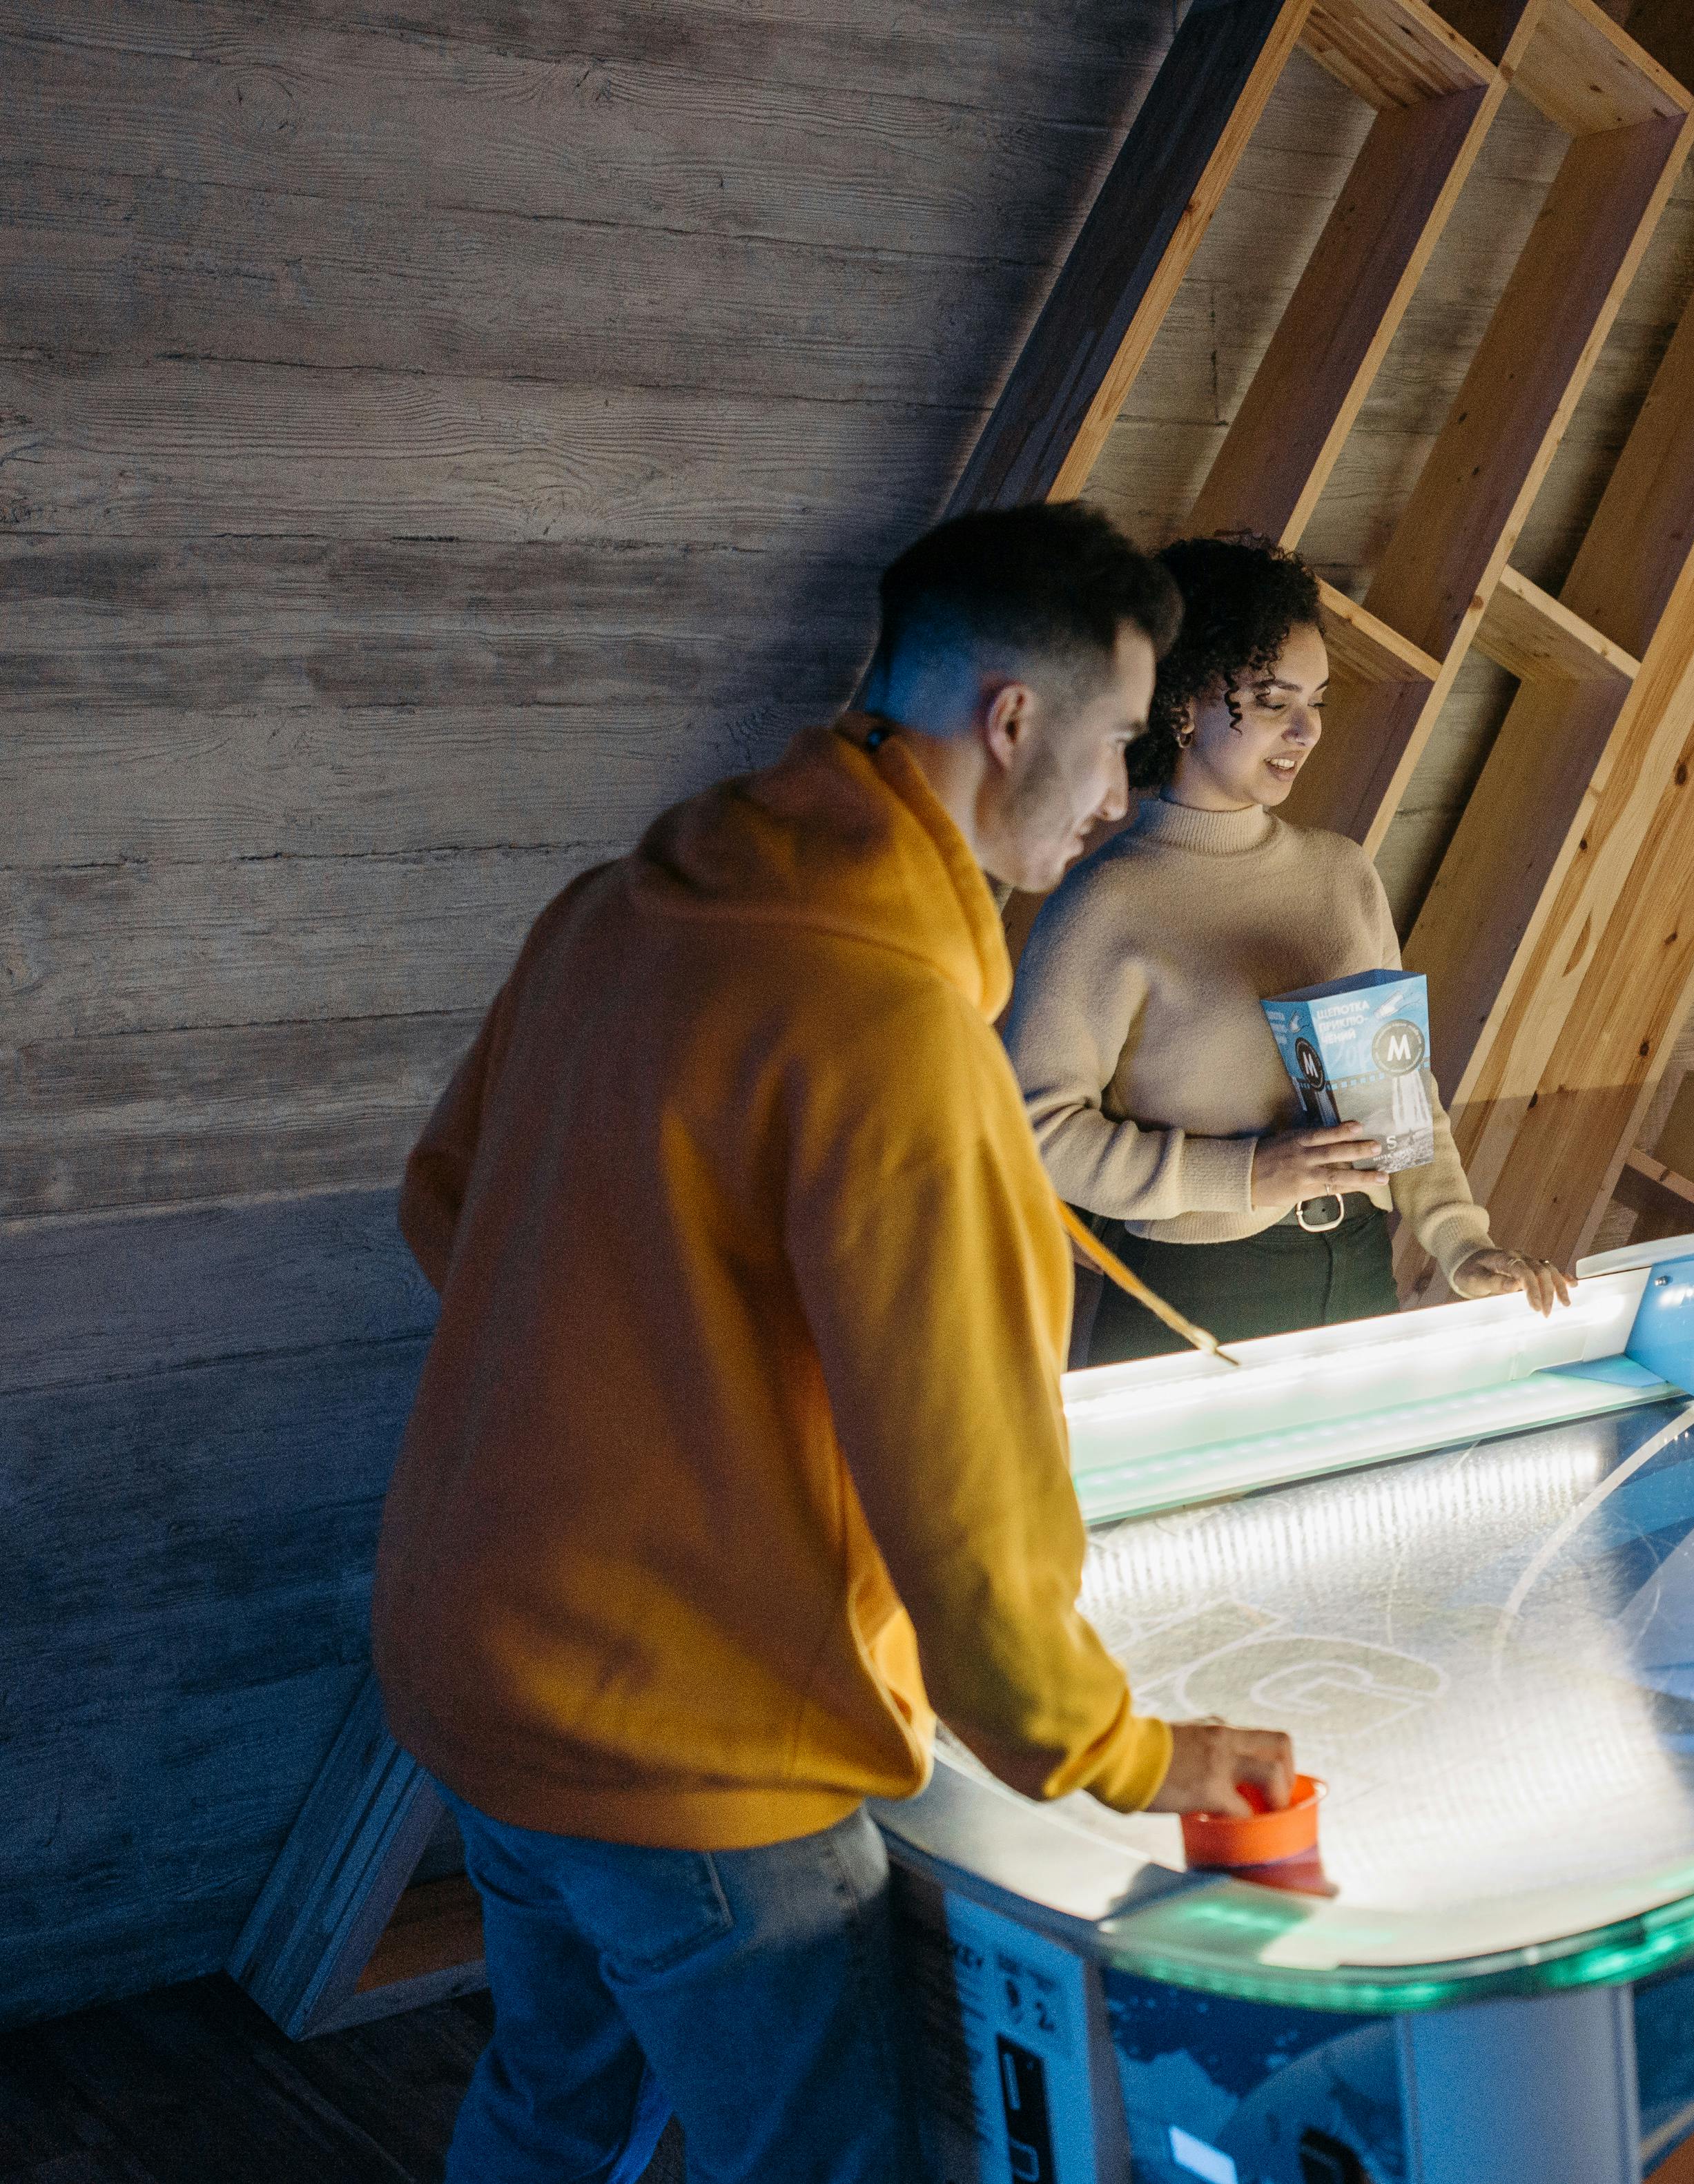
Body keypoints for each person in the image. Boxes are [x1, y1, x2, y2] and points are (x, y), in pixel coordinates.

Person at [372, 502, 1295, 2184]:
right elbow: (967, 1497)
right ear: (1010, 720)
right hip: (702, 1763)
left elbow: (450, 1210)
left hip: (475, 1672)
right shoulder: (893, 1036)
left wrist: (673, 1396)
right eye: (1108, 751)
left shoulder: (615, 912)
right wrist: (1126, 1754)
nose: (1112, 805)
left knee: (548, 2109)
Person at [1009, 532, 1572, 1363]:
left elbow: (1401, 1095)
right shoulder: (1104, 902)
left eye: (1319, 702)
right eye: (1274, 701)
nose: (1307, 730)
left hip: (1360, 1271)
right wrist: (1244, 1177)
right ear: (1180, 705)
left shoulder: (1342, 875)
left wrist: (1460, 1243)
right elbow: (1035, 1133)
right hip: (1195, 1291)